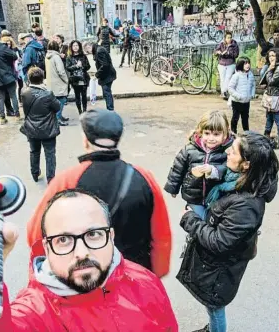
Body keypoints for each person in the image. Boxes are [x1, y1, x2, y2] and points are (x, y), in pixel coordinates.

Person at [0, 188, 178, 331]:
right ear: (46, 247)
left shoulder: (145, 281)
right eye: (64, 240)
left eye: (94, 234)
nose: (81, 253)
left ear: (110, 236)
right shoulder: (34, 313)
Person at [26, 109, 172, 278]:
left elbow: (36, 235)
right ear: (117, 139)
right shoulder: (144, 178)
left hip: (85, 276)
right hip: (135, 276)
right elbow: (161, 237)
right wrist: (154, 277)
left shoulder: (66, 181)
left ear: (86, 140)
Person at [178, 131, 279, 332]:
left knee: (215, 307)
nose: (227, 154)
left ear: (246, 164)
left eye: (232, 152)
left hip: (221, 269)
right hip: (218, 263)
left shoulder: (246, 205)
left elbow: (220, 242)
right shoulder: (236, 178)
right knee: (213, 306)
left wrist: (190, 220)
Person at [164, 110, 233, 218]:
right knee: (198, 220)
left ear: (225, 133)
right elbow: (178, 169)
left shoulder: (229, 150)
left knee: (211, 224)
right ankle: (194, 234)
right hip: (193, 196)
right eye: (207, 133)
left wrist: (213, 170)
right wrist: (173, 188)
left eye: (216, 134)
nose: (211, 138)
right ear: (200, 132)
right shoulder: (189, 149)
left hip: (217, 198)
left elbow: (229, 169)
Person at [20, 67, 61, 183]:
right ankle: (51, 178)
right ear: (43, 79)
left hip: (31, 129)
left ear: (29, 79)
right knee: (50, 154)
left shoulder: (24, 92)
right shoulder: (48, 94)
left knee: (34, 151)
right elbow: (57, 107)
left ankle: (35, 173)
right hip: (48, 129)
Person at [0, 34, 21, 124]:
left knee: (1, 98)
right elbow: (14, 56)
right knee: (13, 96)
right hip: (7, 75)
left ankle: (2, 118)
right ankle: (17, 116)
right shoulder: (2, 47)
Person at [228, 57, 256, 134]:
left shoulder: (250, 74)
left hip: (246, 101)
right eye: (245, 63)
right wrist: (238, 96)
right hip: (237, 101)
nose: (248, 65)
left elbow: (253, 84)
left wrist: (252, 94)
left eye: (248, 63)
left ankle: (247, 133)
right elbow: (230, 88)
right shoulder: (236, 76)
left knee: (245, 118)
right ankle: (233, 133)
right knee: (235, 118)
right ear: (240, 65)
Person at [46, 40, 69, 126]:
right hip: (58, 81)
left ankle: (59, 116)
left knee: (56, 100)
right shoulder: (56, 57)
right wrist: (66, 80)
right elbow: (61, 71)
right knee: (62, 100)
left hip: (51, 82)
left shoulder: (47, 56)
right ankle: (58, 118)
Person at [66, 40, 91, 115]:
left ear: (79, 47)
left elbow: (88, 66)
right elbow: (68, 68)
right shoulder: (69, 57)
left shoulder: (83, 56)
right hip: (75, 79)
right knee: (77, 96)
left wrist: (82, 66)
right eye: (74, 46)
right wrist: (76, 66)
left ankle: (85, 110)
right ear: (71, 47)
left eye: (77, 45)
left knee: (84, 95)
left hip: (83, 78)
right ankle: (80, 111)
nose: (75, 47)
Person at [91, 43, 117, 111]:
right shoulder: (99, 49)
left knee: (107, 93)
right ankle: (110, 109)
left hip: (107, 75)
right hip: (107, 74)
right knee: (106, 93)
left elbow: (104, 65)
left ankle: (110, 110)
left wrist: (97, 75)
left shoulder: (99, 51)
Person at [214, 31, 239, 100]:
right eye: (228, 38)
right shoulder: (221, 44)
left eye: (230, 37)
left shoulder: (234, 44)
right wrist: (218, 52)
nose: (229, 39)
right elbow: (215, 51)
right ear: (225, 38)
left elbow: (236, 54)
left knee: (228, 78)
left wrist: (228, 53)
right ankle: (223, 92)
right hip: (221, 63)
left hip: (230, 63)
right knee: (222, 79)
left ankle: (224, 92)